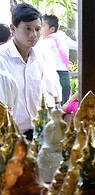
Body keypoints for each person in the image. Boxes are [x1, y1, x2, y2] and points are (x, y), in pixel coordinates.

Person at [0, 3, 59, 140]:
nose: (33, 35)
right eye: (27, 28)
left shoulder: (38, 60)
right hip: (9, 139)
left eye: (38, 29)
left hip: (35, 136)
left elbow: (41, 98)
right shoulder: (2, 60)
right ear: (13, 28)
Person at [41, 14, 78, 105]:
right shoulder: (62, 36)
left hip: (53, 74)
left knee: (54, 103)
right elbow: (77, 46)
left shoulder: (47, 42)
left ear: (52, 29)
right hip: (65, 74)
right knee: (64, 102)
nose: (40, 28)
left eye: (42, 26)